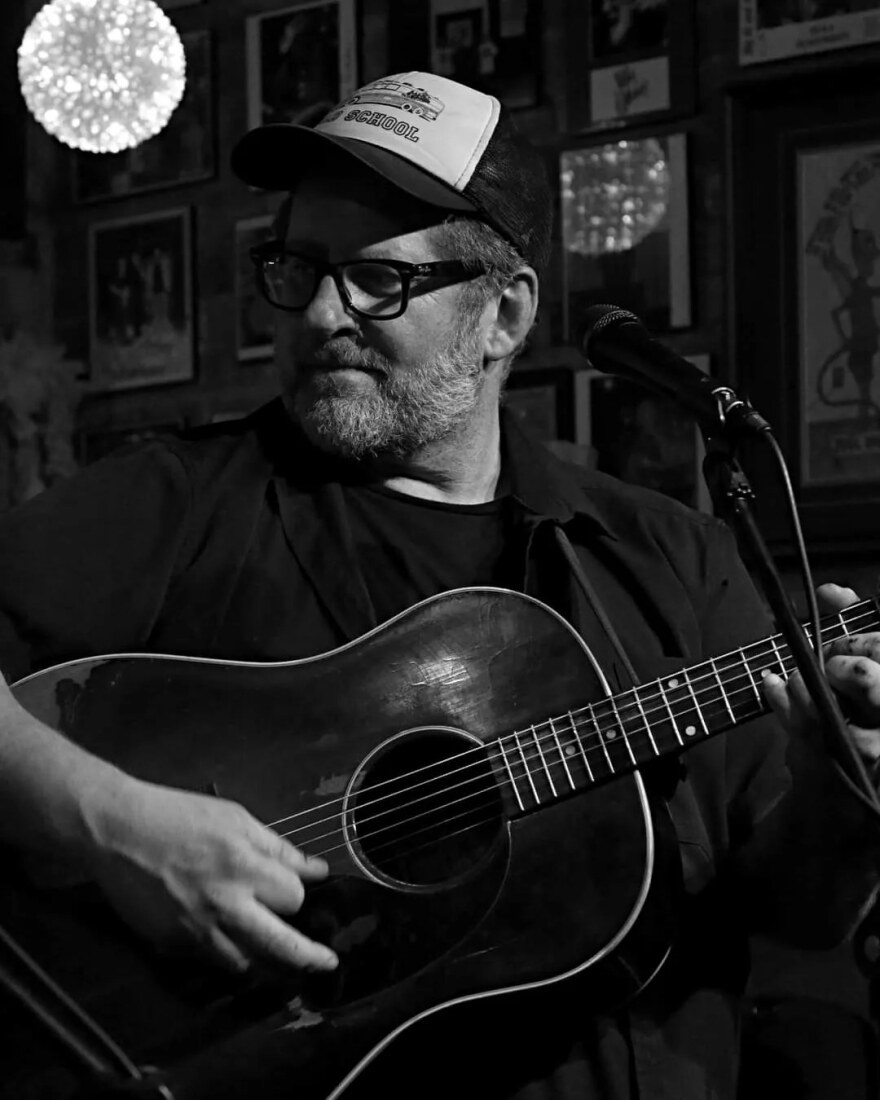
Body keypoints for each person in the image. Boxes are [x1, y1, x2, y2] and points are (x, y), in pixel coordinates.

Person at [0, 69, 879, 1100]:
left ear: (502, 315)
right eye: (300, 266)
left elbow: (796, 909)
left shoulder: (666, 557)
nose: (322, 312)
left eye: (379, 279)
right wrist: (117, 826)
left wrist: (839, 783)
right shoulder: (178, 502)